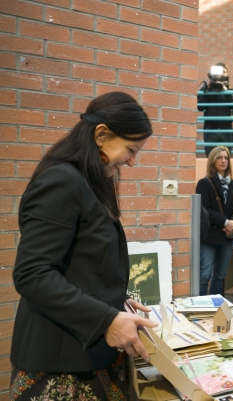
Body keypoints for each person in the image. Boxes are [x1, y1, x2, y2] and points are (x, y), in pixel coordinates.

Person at [10, 92, 157, 400]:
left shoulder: (90, 182)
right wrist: (106, 319)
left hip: (91, 356)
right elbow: (32, 273)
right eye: (130, 149)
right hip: (61, 365)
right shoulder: (62, 181)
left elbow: (82, 266)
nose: (131, 161)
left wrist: (116, 302)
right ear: (101, 135)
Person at [196, 146, 233, 295]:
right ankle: (201, 308)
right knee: (204, 275)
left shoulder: (232, 183)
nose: (223, 161)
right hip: (209, 236)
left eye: (226, 158)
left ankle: (217, 310)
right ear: (213, 161)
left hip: (226, 237)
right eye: (219, 158)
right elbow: (204, 210)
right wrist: (225, 222)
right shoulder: (204, 183)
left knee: (220, 276)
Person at [197, 62, 233, 157]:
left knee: (226, 158)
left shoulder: (230, 90)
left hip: (226, 128)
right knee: (211, 158)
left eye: (223, 72)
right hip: (210, 128)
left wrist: (225, 91)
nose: (220, 74)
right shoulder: (206, 88)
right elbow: (200, 106)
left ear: (226, 74)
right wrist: (205, 90)